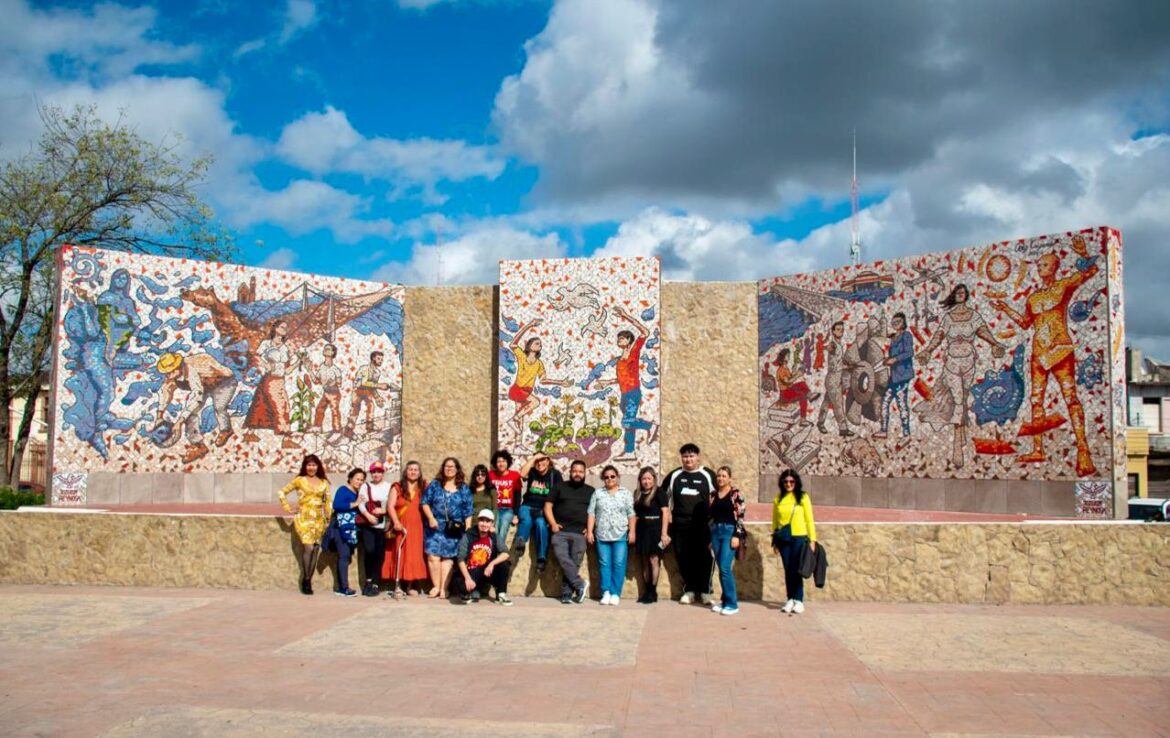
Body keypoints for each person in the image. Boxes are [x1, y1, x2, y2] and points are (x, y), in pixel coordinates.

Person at [992, 241, 1100, 476]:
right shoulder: (1033, 298)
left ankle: (1083, 450)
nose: (1040, 267)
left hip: (1059, 350)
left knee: (1071, 397)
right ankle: (1038, 448)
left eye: (1044, 264)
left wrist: (1083, 253)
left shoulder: (1063, 286)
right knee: (1035, 401)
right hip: (1038, 354)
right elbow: (1025, 323)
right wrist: (1005, 309)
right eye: (1039, 264)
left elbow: (1092, 271)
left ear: (1054, 267)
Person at [916, 284, 1006, 469]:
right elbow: (938, 336)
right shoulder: (949, 318)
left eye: (963, 293)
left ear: (966, 296)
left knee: (963, 399)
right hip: (952, 363)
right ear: (954, 295)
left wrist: (995, 344)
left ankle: (962, 434)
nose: (960, 295)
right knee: (957, 400)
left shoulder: (973, 316)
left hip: (968, 362)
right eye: (957, 292)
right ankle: (957, 445)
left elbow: (983, 332)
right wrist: (927, 351)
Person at [595, 306, 656, 461]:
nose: (619, 340)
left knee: (627, 421)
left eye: (622, 338)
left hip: (633, 393)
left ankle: (651, 426)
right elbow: (622, 378)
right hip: (624, 394)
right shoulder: (620, 361)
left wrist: (625, 315)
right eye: (618, 338)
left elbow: (645, 332)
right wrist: (607, 382)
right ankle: (630, 451)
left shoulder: (634, 351)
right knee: (629, 424)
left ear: (629, 340)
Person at [154, 351, 238, 464]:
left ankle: (226, 430)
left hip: (223, 382)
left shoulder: (191, 370)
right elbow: (165, 392)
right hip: (204, 386)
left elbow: (196, 397)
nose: (167, 376)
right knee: (190, 415)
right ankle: (198, 445)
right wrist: (159, 416)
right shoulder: (173, 377)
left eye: (168, 373)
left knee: (219, 407)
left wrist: (179, 422)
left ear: (176, 369)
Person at [660, 443, 717, 604]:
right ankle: (690, 590)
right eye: (685, 456)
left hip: (704, 526)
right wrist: (668, 514)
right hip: (680, 526)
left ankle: (706, 591)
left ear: (698, 457)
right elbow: (662, 497)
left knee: (705, 558)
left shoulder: (708, 475)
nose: (688, 459)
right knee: (684, 558)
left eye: (691, 456)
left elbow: (718, 497)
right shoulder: (674, 476)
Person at [503, 318, 572, 440]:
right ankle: (514, 420)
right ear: (529, 346)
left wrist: (561, 382)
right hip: (517, 389)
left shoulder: (539, 364)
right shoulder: (522, 356)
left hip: (526, 392)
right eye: (536, 343)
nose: (539, 345)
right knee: (535, 402)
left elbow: (543, 380)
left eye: (540, 344)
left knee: (519, 419)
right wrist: (528, 326)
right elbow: (513, 344)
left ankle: (518, 444)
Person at [278, 454, 331, 595]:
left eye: (314, 465)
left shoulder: (324, 482)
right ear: (305, 466)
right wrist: (288, 508)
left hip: (318, 520)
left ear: (318, 466)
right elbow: (282, 492)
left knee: (315, 549)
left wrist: (328, 517)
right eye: (309, 465)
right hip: (304, 518)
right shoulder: (299, 480)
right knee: (308, 547)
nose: (311, 468)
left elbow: (327, 501)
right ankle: (305, 580)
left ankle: (308, 579)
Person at [421, 457, 474, 599]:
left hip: (454, 528)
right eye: (446, 466)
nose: (449, 469)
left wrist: (468, 529)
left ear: (457, 469)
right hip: (435, 526)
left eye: (452, 466)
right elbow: (425, 502)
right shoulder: (435, 485)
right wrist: (431, 518)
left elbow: (468, 510)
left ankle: (444, 588)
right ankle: (436, 586)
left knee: (448, 558)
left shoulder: (463, 488)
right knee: (433, 556)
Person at [244, 318, 300, 448]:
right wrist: (265, 364)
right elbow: (255, 356)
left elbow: (287, 370)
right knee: (282, 406)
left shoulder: (286, 348)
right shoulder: (266, 344)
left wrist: (299, 361)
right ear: (275, 328)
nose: (284, 330)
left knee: (261, 404)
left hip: (280, 380)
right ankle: (286, 438)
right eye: (282, 327)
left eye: (286, 328)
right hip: (270, 379)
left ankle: (250, 432)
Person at [545, 459, 594, 604]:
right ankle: (580, 585)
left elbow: (595, 512)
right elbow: (547, 506)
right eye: (575, 471)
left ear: (585, 473)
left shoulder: (591, 491)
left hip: (580, 533)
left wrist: (591, 528)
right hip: (561, 532)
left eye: (580, 471)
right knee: (563, 559)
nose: (577, 474)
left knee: (574, 563)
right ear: (570, 472)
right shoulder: (559, 487)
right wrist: (553, 523)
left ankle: (567, 593)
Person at [587, 465, 636, 606]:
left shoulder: (625, 493)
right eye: (606, 477)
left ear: (617, 477)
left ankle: (615, 593)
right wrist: (590, 531)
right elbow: (591, 513)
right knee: (604, 564)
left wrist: (632, 531)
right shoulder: (598, 493)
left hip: (620, 534)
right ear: (603, 478)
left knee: (619, 564)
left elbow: (631, 514)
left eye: (612, 476)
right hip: (602, 535)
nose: (609, 479)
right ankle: (606, 592)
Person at [771, 469, 817, 614]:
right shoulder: (778, 498)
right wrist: (774, 541)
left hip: (799, 537)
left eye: (791, 481)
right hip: (784, 538)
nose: (788, 484)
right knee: (787, 569)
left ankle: (799, 600)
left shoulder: (803, 497)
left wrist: (813, 539)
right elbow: (775, 522)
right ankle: (790, 598)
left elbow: (809, 520)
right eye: (786, 481)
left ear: (796, 482)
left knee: (797, 569)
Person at [383, 460, 428, 597]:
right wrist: (396, 522)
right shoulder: (397, 487)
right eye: (410, 469)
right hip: (401, 525)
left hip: (417, 526)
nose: (413, 472)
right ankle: (397, 585)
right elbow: (390, 506)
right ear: (405, 471)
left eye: (416, 470)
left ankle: (410, 584)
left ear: (419, 473)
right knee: (399, 553)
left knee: (413, 555)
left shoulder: (424, 487)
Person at [513, 452, 562, 573]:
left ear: (548, 461)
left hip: (543, 509)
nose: (540, 463)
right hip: (528, 506)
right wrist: (534, 457)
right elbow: (522, 474)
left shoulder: (554, 474)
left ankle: (541, 558)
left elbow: (560, 493)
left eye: (542, 460)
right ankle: (520, 543)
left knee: (541, 524)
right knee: (526, 520)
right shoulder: (532, 472)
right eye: (537, 461)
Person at [453, 509, 513, 605]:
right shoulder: (468, 535)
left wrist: (492, 564)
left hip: (487, 571)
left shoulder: (494, 536)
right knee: (461, 586)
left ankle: (501, 594)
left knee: (504, 564)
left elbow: (506, 553)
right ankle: (472, 591)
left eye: (487, 521)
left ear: (492, 524)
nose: (484, 524)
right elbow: (460, 558)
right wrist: (467, 578)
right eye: (482, 520)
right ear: (478, 521)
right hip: (472, 571)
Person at [708, 466, 746, 616]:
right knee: (720, 568)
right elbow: (710, 517)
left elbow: (741, 516)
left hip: (730, 531)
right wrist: (710, 537)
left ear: (729, 478)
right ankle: (724, 601)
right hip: (716, 532)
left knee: (724, 567)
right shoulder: (712, 495)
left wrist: (737, 535)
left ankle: (732, 604)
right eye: (718, 476)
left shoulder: (735, 494)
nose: (721, 478)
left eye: (724, 476)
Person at [633, 466, 670, 604]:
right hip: (642, 530)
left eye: (649, 478)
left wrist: (664, 534)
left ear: (654, 479)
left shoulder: (660, 493)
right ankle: (646, 591)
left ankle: (652, 592)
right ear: (640, 480)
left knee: (654, 560)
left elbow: (666, 513)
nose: (646, 481)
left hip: (656, 530)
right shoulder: (637, 493)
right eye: (644, 478)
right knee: (644, 561)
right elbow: (635, 515)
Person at [875, 312, 914, 439]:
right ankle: (883, 430)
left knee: (901, 404)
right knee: (885, 402)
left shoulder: (906, 336)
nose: (895, 324)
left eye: (898, 322)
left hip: (902, 376)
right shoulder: (893, 337)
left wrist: (895, 359)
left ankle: (906, 433)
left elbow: (909, 352)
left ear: (903, 323)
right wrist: (888, 360)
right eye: (894, 322)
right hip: (894, 376)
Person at [356, 461, 391, 597]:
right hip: (369, 524)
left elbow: (392, 504)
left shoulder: (389, 487)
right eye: (374, 472)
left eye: (379, 471)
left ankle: (376, 582)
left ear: (383, 473)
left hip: (382, 524)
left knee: (379, 555)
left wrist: (384, 511)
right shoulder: (366, 486)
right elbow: (361, 503)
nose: (377, 474)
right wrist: (368, 515)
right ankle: (368, 580)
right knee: (369, 551)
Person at [329, 468, 366, 597]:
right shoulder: (343, 490)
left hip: (351, 530)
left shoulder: (358, 494)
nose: (359, 482)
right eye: (357, 479)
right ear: (350, 478)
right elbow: (337, 505)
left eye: (362, 480)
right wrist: (355, 504)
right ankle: (343, 587)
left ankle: (341, 586)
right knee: (344, 556)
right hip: (341, 529)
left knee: (346, 557)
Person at [816, 321, 853, 436]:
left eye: (841, 329)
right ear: (833, 331)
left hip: (836, 378)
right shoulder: (833, 344)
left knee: (827, 401)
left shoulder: (840, 344)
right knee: (838, 404)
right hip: (833, 378)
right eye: (838, 329)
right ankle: (843, 429)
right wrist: (847, 366)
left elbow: (838, 360)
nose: (840, 331)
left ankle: (820, 422)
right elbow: (834, 364)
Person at [347, 350, 391, 437]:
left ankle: (369, 428)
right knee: (355, 410)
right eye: (378, 359)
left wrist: (377, 397)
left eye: (382, 359)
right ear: (373, 358)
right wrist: (379, 385)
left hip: (368, 392)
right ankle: (349, 430)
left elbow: (373, 387)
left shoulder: (377, 372)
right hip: (358, 391)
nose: (380, 361)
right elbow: (364, 382)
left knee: (371, 407)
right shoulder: (365, 368)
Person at [488, 449, 522, 552]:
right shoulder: (490, 475)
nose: (501, 463)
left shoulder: (515, 475)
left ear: (508, 463)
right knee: (495, 527)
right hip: (495, 508)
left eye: (503, 461)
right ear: (495, 463)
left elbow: (517, 496)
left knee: (503, 527)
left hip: (508, 509)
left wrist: (516, 514)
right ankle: (498, 552)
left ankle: (497, 552)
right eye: (498, 461)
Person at [310, 343, 343, 433]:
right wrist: (309, 370)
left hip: (334, 393)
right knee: (319, 409)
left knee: (334, 411)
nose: (325, 350)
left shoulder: (335, 369)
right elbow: (316, 381)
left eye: (328, 349)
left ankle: (337, 430)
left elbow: (339, 383)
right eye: (325, 349)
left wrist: (332, 382)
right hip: (326, 393)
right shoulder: (322, 367)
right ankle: (317, 427)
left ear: (333, 353)